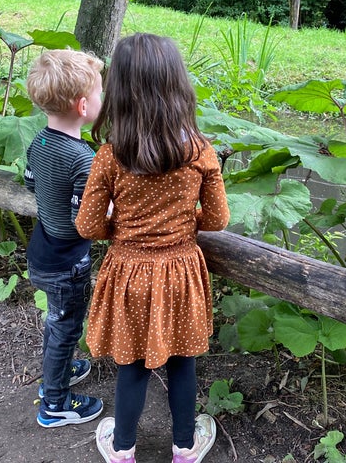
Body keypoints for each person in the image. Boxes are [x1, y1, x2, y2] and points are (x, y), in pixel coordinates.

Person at [75, 33, 230, 463]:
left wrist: (124, 230)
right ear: (177, 86)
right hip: (181, 270)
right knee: (183, 359)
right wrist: (183, 225)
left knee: (133, 364)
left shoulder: (110, 156)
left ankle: (123, 448)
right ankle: (184, 445)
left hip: (129, 273)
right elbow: (217, 220)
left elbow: (87, 225)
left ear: (119, 91)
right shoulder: (200, 151)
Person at [24, 49, 105, 428]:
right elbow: (83, 223)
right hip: (66, 263)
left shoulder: (39, 142)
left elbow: (30, 182)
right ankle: (55, 402)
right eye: (101, 92)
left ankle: (60, 371)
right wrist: (110, 213)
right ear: (84, 104)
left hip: (41, 250)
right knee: (67, 326)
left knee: (57, 321)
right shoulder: (81, 158)